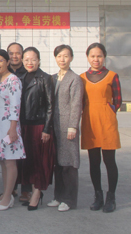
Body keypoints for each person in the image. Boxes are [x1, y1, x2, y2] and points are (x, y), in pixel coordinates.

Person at [80, 42, 122, 213]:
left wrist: (109, 110)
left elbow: (118, 100)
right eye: (92, 56)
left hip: (107, 122)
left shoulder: (112, 76)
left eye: (99, 56)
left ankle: (111, 196)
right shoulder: (82, 77)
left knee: (109, 161)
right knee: (94, 161)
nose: (96, 59)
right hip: (89, 121)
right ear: (87, 57)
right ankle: (98, 195)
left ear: (104, 57)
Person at [47, 45, 83, 212]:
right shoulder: (53, 78)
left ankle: (69, 200)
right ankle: (58, 196)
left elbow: (76, 104)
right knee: (58, 163)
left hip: (68, 127)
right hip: (55, 126)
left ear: (71, 58)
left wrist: (73, 126)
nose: (62, 59)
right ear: (55, 58)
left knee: (69, 163)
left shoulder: (74, 79)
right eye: (59, 56)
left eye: (66, 56)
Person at [0, 49, 25, 211]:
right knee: (3, 161)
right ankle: (5, 193)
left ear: (8, 62)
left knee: (10, 161)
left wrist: (13, 128)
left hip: (9, 126)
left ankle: (9, 197)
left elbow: (16, 106)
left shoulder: (13, 80)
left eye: (0, 60)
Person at [20, 47, 55, 211]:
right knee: (29, 161)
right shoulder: (20, 78)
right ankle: (33, 191)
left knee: (40, 161)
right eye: (26, 59)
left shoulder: (45, 78)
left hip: (39, 126)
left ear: (39, 61)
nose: (30, 62)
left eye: (33, 59)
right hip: (24, 126)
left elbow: (50, 106)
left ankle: (36, 193)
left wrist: (47, 129)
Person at [6, 41, 29, 201]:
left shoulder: (28, 73)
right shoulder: (4, 73)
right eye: (11, 53)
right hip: (8, 121)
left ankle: (26, 190)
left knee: (25, 156)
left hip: (25, 119)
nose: (14, 56)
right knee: (10, 156)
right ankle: (11, 188)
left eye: (18, 53)